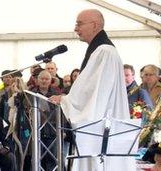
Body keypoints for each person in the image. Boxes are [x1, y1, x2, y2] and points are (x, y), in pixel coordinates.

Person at [49, 9, 136, 171]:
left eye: (79, 24)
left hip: (101, 127)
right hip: (100, 124)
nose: (76, 29)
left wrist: (65, 99)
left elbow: (93, 91)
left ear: (94, 25)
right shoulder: (101, 50)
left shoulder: (104, 51)